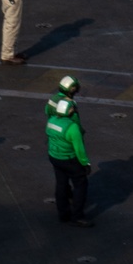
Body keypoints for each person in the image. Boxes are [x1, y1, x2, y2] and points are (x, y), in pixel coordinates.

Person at [46, 96, 92, 226]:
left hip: (55, 157)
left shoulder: (51, 121)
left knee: (61, 184)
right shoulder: (72, 127)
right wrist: (85, 163)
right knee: (80, 184)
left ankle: (63, 214)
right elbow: (79, 149)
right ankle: (77, 215)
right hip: (69, 160)